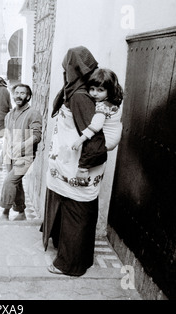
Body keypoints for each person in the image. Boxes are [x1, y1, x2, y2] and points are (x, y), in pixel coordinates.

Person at [41, 46, 121, 277]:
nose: (64, 72)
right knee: (81, 210)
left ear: (73, 68)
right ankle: (81, 258)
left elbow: (95, 140)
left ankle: (70, 264)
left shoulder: (80, 96)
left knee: (77, 212)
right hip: (72, 163)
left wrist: (84, 167)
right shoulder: (84, 91)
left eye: (66, 67)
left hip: (79, 166)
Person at [0, 84, 42, 221]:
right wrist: (2, 155)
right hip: (10, 155)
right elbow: (7, 136)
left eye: (22, 93)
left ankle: (5, 214)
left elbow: (37, 136)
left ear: (28, 96)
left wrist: (23, 145)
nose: (18, 95)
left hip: (25, 156)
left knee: (9, 182)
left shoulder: (33, 113)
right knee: (16, 184)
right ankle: (21, 213)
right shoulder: (9, 115)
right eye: (16, 93)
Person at [71, 68, 123, 154]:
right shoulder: (112, 102)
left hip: (107, 140)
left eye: (100, 90)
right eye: (92, 89)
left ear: (109, 91)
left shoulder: (103, 106)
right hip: (115, 138)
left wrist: (81, 139)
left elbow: (97, 124)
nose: (95, 93)